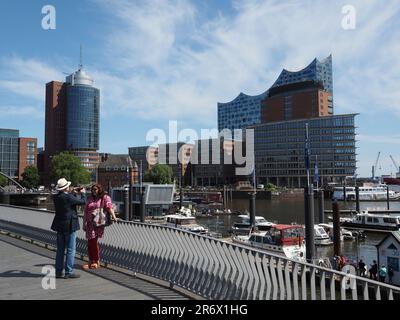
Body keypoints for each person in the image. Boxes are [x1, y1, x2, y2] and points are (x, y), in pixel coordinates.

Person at [51, 178, 86, 279]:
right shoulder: (68, 197)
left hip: (59, 225)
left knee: (60, 250)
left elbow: (70, 202)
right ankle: (68, 272)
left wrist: (72, 193)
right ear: (66, 187)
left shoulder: (56, 197)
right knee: (71, 250)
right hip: (69, 226)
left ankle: (58, 272)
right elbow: (83, 202)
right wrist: (83, 193)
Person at [82, 184, 118, 270]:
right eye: (92, 189)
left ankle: (96, 261)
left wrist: (114, 217)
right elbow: (85, 211)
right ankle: (90, 261)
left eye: (95, 189)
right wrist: (84, 223)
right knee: (90, 243)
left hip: (98, 223)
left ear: (100, 190)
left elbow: (109, 207)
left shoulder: (105, 197)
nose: (93, 191)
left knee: (93, 242)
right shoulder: (90, 198)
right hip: (90, 223)